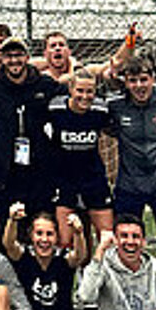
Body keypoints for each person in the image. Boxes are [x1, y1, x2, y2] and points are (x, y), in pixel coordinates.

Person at [0, 37, 65, 232]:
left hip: (38, 173)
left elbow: (74, 95)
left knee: (40, 227)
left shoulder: (44, 85)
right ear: (1, 59)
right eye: (9, 56)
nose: (14, 60)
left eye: (18, 55)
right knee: (7, 229)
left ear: (27, 57)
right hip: (5, 174)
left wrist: (73, 69)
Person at [107, 57, 156, 272]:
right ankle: (129, 285)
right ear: (126, 83)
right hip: (130, 184)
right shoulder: (116, 106)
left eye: (143, 79)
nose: (139, 86)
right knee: (125, 240)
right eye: (133, 81)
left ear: (153, 79)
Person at [45, 68, 113, 248]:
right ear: (70, 89)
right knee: (66, 242)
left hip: (93, 179)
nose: (85, 96)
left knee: (107, 239)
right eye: (80, 91)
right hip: (64, 181)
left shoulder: (101, 109)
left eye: (90, 91)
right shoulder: (55, 108)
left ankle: (100, 267)